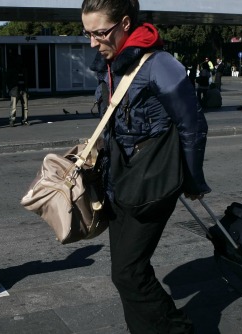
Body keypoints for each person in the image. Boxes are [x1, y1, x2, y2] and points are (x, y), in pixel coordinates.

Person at [81, 0, 211, 332]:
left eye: (99, 33)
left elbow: (193, 125)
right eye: (88, 34)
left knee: (128, 271)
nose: (93, 43)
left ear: (125, 23)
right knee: (124, 272)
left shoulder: (161, 65)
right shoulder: (113, 64)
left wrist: (193, 179)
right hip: (118, 182)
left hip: (151, 183)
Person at [6, 59, 30, 127]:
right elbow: (8, 79)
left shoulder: (23, 69)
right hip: (15, 89)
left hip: (22, 89)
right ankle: (12, 120)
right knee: (14, 107)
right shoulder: (12, 70)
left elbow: (26, 79)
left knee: (25, 106)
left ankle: (24, 120)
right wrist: (10, 87)